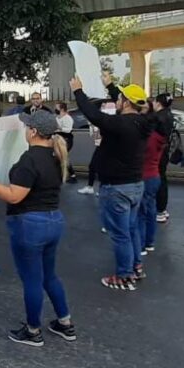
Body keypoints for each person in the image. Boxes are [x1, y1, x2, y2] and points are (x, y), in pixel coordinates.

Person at [0, 110, 76, 346]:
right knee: (49, 275)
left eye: (27, 126)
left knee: (32, 279)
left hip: (29, 225)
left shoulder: (30, 160)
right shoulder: (54, 154)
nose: (24, 130)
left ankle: (33, 331)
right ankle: (65, 324)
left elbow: (13, 196)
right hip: (53, 220)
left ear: (34, 132)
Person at [71, 72, 152, 291]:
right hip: (136, 185)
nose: (117, 101)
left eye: (120, 99)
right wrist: (111, 86)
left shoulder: (119, 124)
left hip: (116, 188)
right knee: (132, 229)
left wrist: (78, 91)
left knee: (120, 234)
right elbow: (125, 104)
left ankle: (124, 276)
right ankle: (136, 266)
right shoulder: (143, 122)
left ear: (126, 103)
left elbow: (94, 115)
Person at [138, 100, 168, 257]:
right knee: (150, 211)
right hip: (154, 175)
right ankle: (149, 243)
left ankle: (141, 245)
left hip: (143, 176)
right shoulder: (159, 137)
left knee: (140, 214)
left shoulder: (145, 138)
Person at [77, 101, 115, 195]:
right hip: (101, 145)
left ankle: (100, 187)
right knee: (94, 166)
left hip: (105, 146)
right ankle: (92, 187)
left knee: (98, 166)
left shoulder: (102, 119)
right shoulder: (94, 122)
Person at [153, 93, 176, 223]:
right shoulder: (169, 115)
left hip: (157, 152)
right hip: (165, 151)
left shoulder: (157, 118)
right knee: (162, 178)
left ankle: (159, 210)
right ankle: (162, 209)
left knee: (157, 180)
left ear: (158, 102)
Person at [54, 102, 77, 183]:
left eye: (57, 107)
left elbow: (68, 129)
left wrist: (59, 128)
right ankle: (71, 175)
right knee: (63, 157)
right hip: (58, 138)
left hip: (66, 139)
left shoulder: (68, 118)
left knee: (61, 156)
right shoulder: (57, 118)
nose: (55, 109)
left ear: (62, 109)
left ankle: (65, 175)